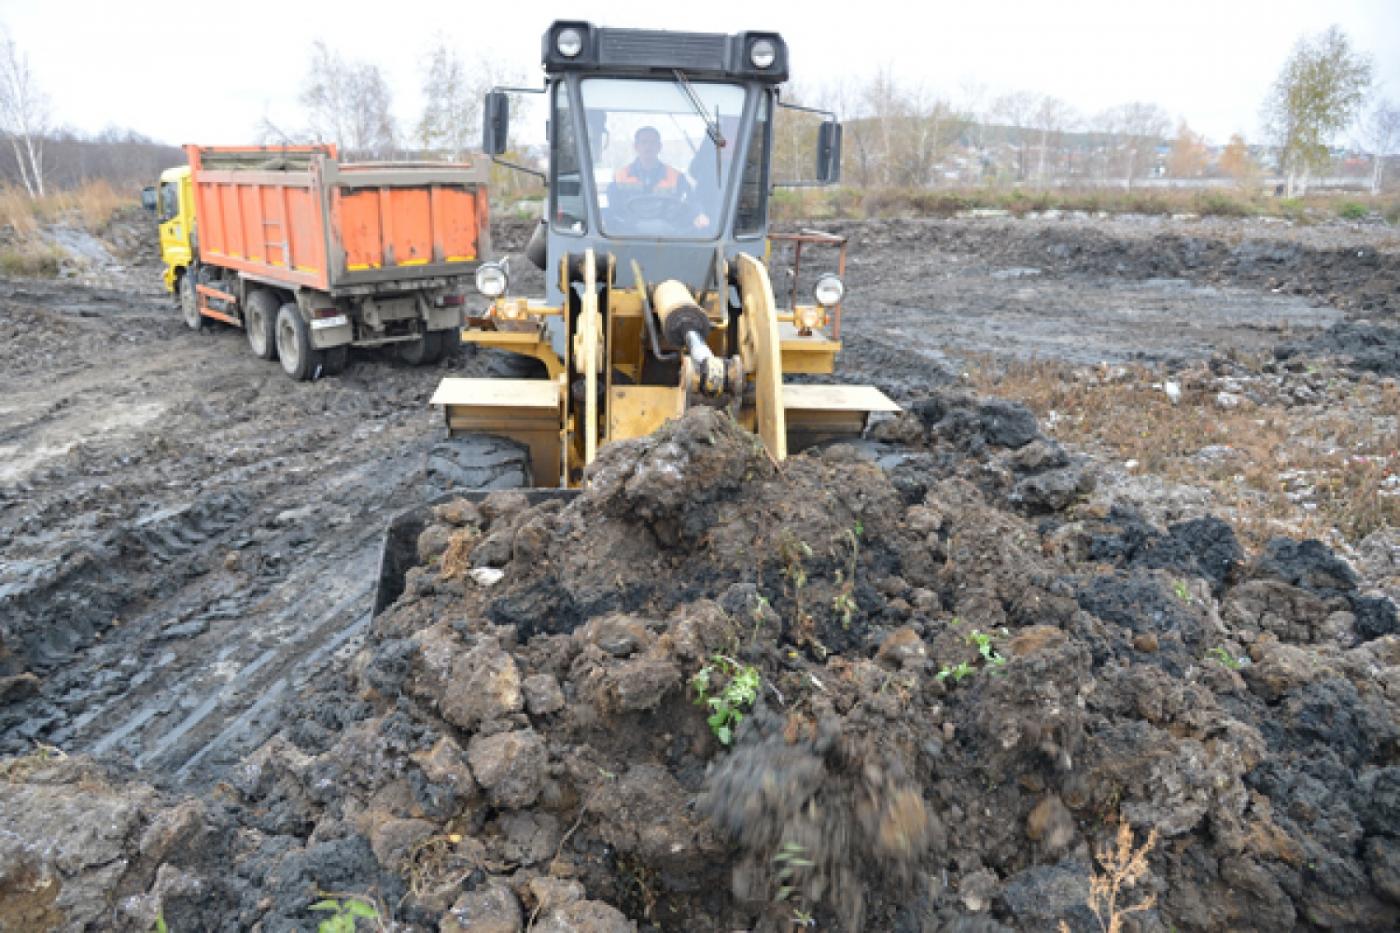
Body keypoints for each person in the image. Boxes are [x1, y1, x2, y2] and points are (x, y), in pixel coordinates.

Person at [607, 126, 703, 231]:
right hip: (629, 236)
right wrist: (636, 225)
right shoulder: (620, 177)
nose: (648, 146)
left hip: (668, 236)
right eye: (644, 142)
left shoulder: (677, 178)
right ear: (636, 146)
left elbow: (690, 207)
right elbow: (615, 211)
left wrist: (671, 225)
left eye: (653, 143)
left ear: (659, 147)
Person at [688, 116, 740, 232]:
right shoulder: (708, 167)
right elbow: (694, 170)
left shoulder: (744, 171)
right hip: (708, 223)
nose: (726, 142)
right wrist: (699, 213)